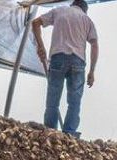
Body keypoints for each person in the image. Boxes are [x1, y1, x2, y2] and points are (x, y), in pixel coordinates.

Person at [32, 0, 98, 138]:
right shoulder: (87, 20)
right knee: (74, 101)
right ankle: (69, 134)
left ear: (72, 4)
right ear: (84, 9)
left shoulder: (59, 11)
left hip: (58, 58)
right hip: (78, 61)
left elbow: (35, 23)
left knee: (53, 99)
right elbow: (95, 45)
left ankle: (50, 132)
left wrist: (40, 46)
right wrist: (92, 71)